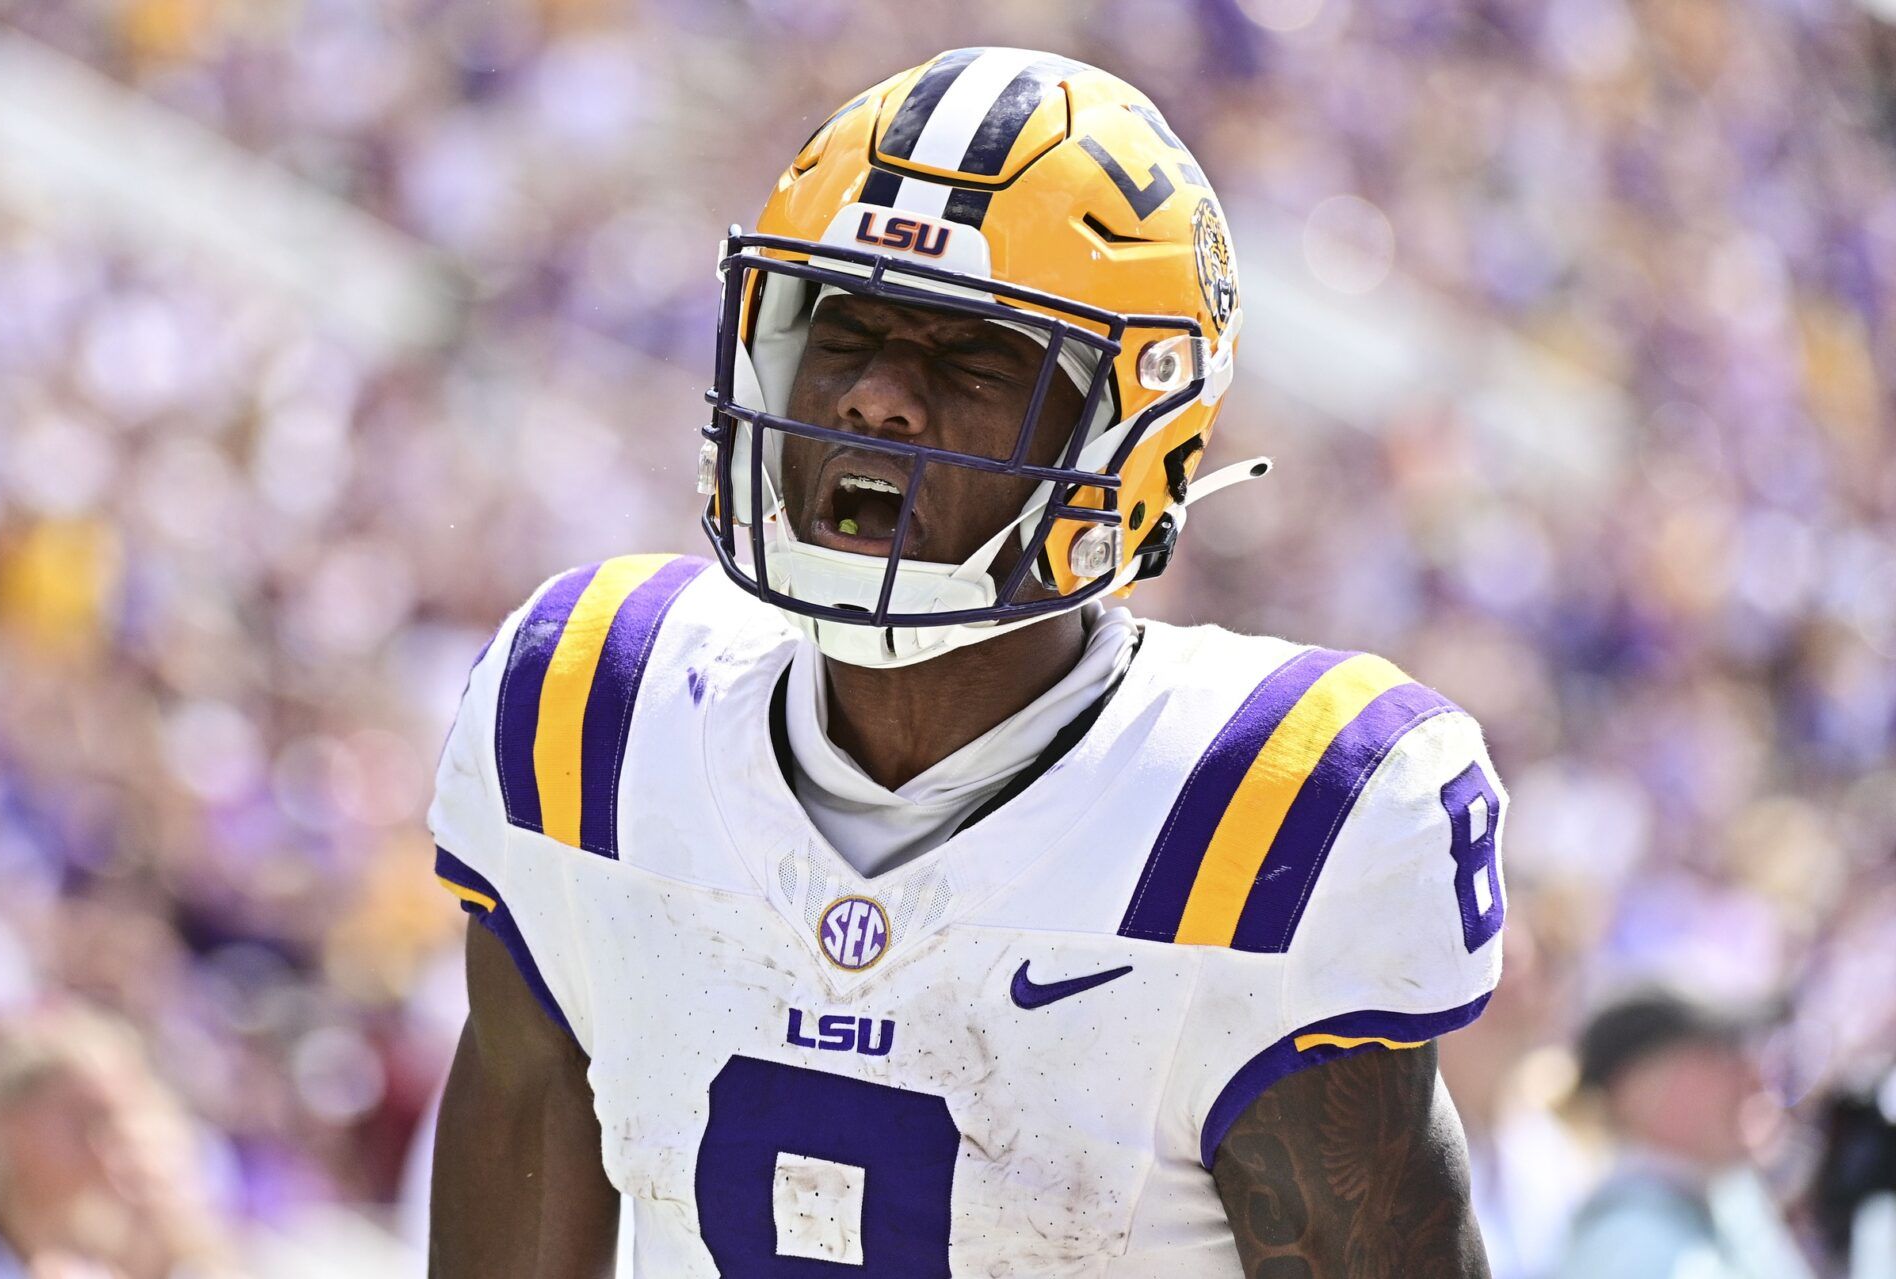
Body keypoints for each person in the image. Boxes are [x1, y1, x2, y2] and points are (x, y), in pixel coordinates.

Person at [427, 47, 1510, 1277]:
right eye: (846, 333)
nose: (881, 398)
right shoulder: (596, 716)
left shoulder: (1267, 814)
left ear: (1129, 430)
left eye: (974, 355)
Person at [1554, 987, 1812, 1279]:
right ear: (1640, 1092)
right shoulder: (1634, 1248)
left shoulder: (1728, 1201)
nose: (1754, 1076)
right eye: (1721, 1050)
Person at [0, 1007, 236, 1279]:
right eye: (81, 1120)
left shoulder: (152, 1246)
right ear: (10, 1126)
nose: (102, 1145)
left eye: (118, 1121)